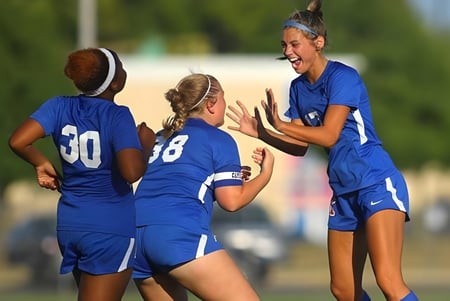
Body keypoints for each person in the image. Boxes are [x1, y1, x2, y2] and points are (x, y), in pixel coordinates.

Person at [226, 1, 418, 300]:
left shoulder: (344, 77)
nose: (288, 52)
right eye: (284, 45)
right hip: (343, 191)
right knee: (343, 290)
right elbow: (301, 146)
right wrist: (264, 132)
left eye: (294, 44)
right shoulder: (298, 88)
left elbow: (328, 135)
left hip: (375, 181)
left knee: (388, 281)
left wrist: (279, 124)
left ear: (318, 43)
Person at [8, 47, 156, 301]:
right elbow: (131, 172)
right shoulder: (117, 115)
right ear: (116, 83)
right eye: (120, 65)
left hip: (71, 224)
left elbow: (18, 141)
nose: (124, 69)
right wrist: (145, 146)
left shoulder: (58, 106)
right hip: (109, 228)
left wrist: (40, 163)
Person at [132, 73, 274, 301]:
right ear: (210, 105)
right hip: (177, 234)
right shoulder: (218, 138)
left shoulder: (162, 136)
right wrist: (265, 174)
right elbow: (232, 201)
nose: (225, 103)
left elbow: (176, 185)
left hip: (136, 235)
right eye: (223, 97)